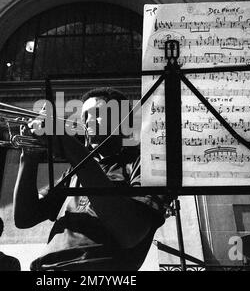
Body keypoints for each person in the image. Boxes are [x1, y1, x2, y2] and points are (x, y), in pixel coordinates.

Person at [13, 87, 171, 271]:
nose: (87, 122)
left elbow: (131, 233)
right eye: (84, 116)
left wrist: (70, 146)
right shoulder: (75, 170)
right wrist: (28, 158)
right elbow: (25, 218)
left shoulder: (145, 163)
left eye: (97, 113)